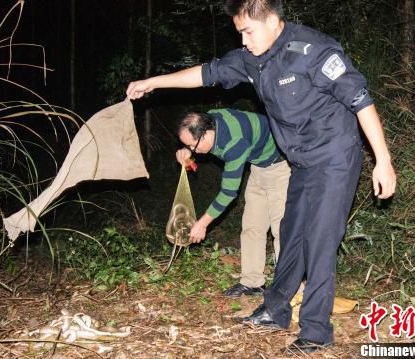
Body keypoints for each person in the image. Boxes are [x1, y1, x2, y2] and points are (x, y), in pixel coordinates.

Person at [127, 0, 396, 353]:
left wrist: (383, 160)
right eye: (239, 33)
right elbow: (205, 73)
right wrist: (154, 83)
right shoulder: (250, 58)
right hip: (300, 161)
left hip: (334, 156)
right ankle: (275, 309)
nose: (244, 41)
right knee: (291, 231)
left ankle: (316, 330)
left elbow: (361, 99)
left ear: (272, 19)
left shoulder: (313, 50)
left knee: (319, 239)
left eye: (248, 31)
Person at [175, 109, 290, 298]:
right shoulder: (209, 119)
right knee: (252, 227)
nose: (192, 149)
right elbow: (195, 140)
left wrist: (202, 224)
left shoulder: (234, 144)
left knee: (282, 229)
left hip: (280, 167)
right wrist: (187, 150)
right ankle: (253, 283)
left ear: (204, 135)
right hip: (259, 167)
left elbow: (228, 193)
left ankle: (288, 287)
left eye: (192, 145)